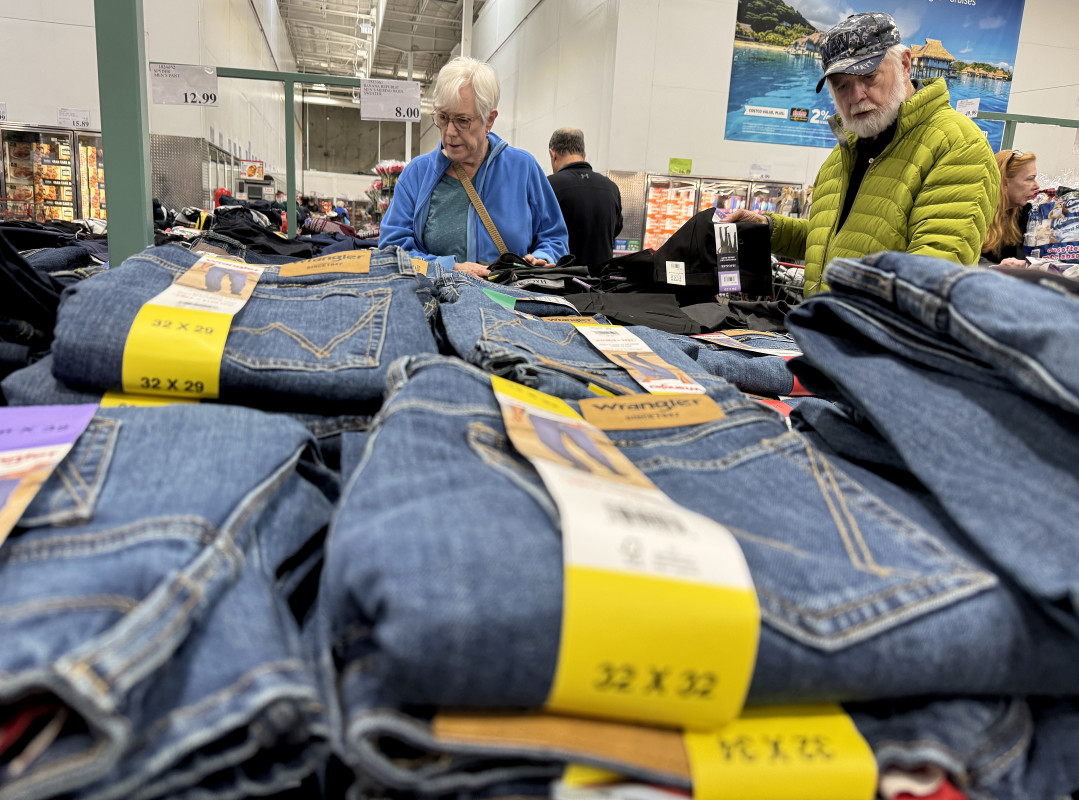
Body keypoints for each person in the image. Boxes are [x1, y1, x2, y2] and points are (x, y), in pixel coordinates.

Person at [727, 12, 999, 295]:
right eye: (841, 85)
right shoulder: (843, 154)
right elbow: (834, 242)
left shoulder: (958, 146)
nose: (856, 96)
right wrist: (769, 229)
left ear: (905, 65)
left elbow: (930, 280)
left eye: (869, 76)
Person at [379, 57, 568, 277]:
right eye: (443, 117)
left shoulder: (523, 169)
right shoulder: (417, 174)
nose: (450, 132)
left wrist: (543, 257)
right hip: (438, 297)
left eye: (462, 120)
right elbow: (392, 252)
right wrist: (449, 268)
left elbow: (554, 238)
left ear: (489, 120)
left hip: (508, 297)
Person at [547, 127, 623, 268]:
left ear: (553, 154)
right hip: (601, 278)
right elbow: (615, 229)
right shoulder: (611, 188)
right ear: (584, 155)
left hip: (561, 277)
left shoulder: (548, 186)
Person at [981, 149, 1038, 266]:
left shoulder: (1025, 214)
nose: (1037, 186)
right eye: (1030, 178)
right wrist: (995, 268)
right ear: (1004, 182)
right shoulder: (974, 214)